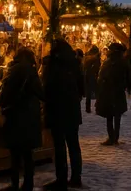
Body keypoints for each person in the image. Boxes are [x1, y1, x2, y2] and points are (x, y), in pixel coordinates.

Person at [41, 39, 84, 190]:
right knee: (73, 144)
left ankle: (61, 179)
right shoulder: (75, 64)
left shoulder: (52, 65)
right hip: (71, 110)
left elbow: (46, 88)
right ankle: (76, 177)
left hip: (57, 109)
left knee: (60, 146)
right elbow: (82, 88)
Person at [0, 48, 44, 191]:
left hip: (15, 115)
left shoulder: (12, 70)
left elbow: (4, 94)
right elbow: (41, 93)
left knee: (15, 154)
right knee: (28, 154)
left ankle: (14, 183)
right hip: (29, 117)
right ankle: (28, 183)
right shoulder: (31, 72)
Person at [95, 43, 131, 145]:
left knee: (110, 115)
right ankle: (115, 137)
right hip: (118, 91)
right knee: (117, 115)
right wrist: (128, 87)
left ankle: (112, 137)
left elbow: (101, 77)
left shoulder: (108, 62)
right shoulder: (123, 62)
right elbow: (129, 76)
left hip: (108, 92)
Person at [82, 46, 101, 114]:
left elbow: (84, 67)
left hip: (87, 76)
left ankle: (88, 108)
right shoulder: (96, 58)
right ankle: (97, 107)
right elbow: (97, 67)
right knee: (97, 92)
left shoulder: (86, 58)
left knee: (89, 93)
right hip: (94, 77)